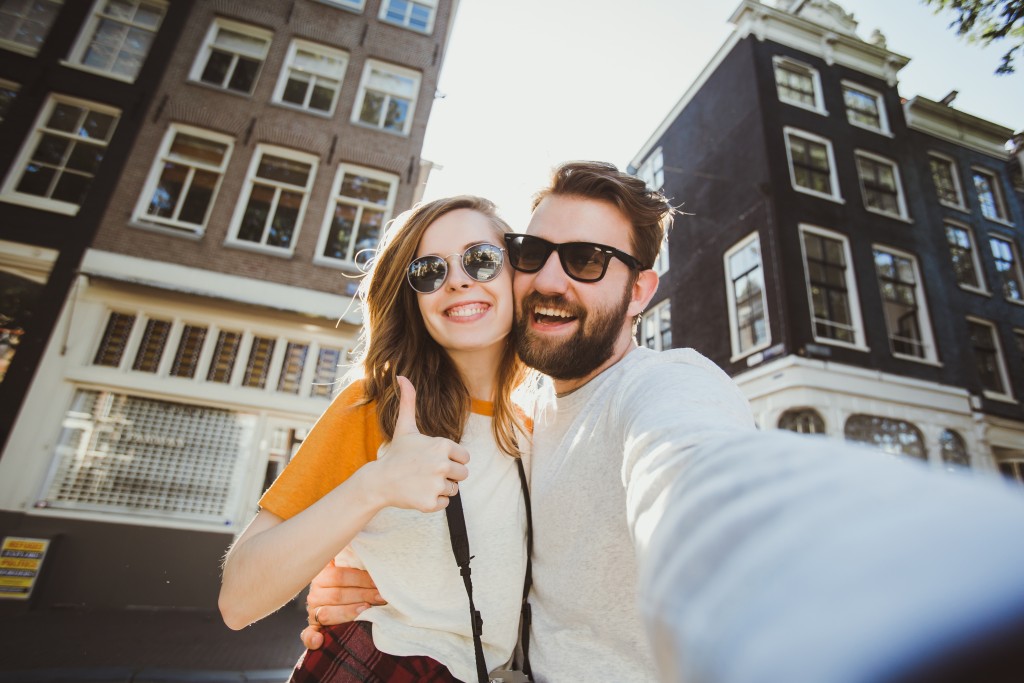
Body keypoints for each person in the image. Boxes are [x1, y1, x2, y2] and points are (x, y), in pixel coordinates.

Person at [301, 162, 1024, 683]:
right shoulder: (522, 415)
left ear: (641, 289)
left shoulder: (665, 386)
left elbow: (700, 478)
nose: (551, 279)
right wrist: (369, 579)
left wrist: (852, 592)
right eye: (533, 253)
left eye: (587, 260)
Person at [219, 195, 532, 683]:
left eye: (481, 260)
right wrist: (375, 486)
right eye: (428, 271)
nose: (457, 280)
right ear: (414, 299)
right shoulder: (375, 408)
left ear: (517, 275)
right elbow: (239, 599)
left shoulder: (535, 430)